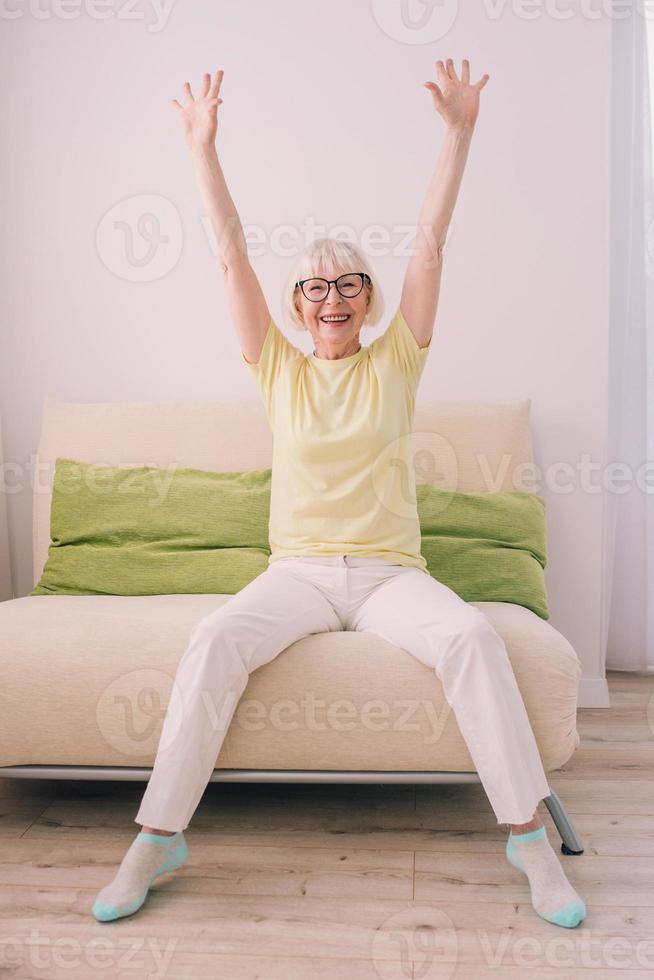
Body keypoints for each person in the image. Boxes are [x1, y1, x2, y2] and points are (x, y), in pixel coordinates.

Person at [92, 60, 586, 930]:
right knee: (213, 640)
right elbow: (228, 253)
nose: (332, 296)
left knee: (471, 635)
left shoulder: (398, 359)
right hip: (301, 575)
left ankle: (528, 839)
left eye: (348, 283)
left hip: (394, 575)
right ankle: (157, 836)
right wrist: (204, 151)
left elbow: (429, 240)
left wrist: (460, 135)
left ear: (369, 302)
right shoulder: (276, 368)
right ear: (296, 305)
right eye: (315, 285)